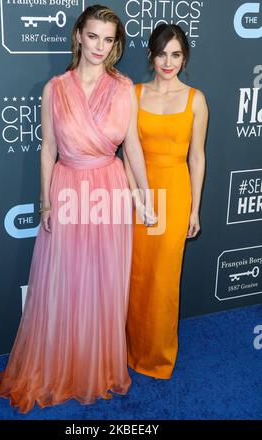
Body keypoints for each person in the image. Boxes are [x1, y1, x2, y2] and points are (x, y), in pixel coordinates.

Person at [0, 4, 155, 413]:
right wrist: (46, 201)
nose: (100, 46)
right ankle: (62, 365)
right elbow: (48, 149)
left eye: (109, 39)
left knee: (105, 282)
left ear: (115, 43)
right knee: (65, 281)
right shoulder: (55, 88)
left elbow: (132, 145)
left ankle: (95, 366)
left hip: (110, 188)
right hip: (68, 188)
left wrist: (144, 193)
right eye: (93, 36)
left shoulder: (123, 88)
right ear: (79, 36)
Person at [124, 24, 208, 379]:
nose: (167, 61)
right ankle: (128, 349)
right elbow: (128, 152)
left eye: (175, 54)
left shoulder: (196, 99)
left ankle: (158, 356)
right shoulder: (134, 94)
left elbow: (198, 158)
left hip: (175, 191)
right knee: (136, 275)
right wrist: (136, 198)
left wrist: (195, 209)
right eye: (161, 54)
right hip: (138, 190)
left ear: (184, 57)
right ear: (150, 55)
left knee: (163, 278)